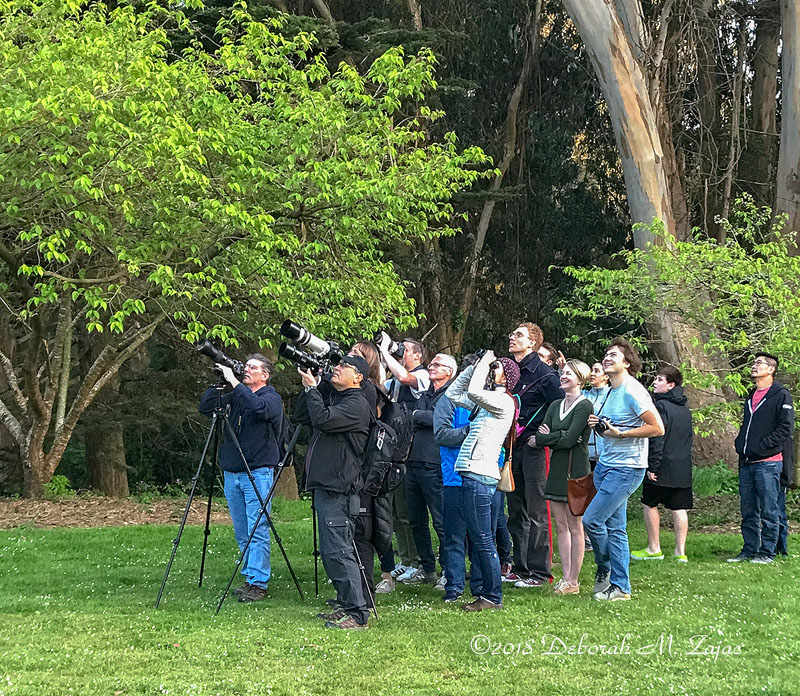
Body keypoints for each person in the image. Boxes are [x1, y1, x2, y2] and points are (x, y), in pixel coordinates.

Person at [295, 354, 372, 629]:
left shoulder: (356, 404)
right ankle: (344, 603)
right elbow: (302, 416)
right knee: (330, 551)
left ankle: (357, 614)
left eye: (344, 367)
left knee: (340, 550)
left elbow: (323, 421)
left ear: (359, 377)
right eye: (337, 366)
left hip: (340, 487)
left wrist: (313, 389)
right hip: (327, 485)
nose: (336, 369)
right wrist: (313, 387)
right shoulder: (334, 397)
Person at [198, 355, 283, 603]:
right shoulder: (237, 393)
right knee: (242, 530)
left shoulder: (271, 397)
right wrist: (219, 384)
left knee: (257, 529)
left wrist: (235, 383)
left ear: (265, 375)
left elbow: (259, 409)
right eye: (245, 367)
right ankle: (249, 577)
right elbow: (205, 407)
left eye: (252, 368)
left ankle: (258, 582)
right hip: (232, 472)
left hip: (257, 472)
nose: (246, 370)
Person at [584, 338, 664, 601]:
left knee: (592, 520)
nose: (607, 358)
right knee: (616, 529)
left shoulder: (633, 390)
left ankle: (605, 567)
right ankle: (621, 588)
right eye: (606, 354)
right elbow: (612, 427)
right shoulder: (610, 391)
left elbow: (657, 428)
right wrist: (599, 424)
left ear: (627, 362)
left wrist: (622, 434)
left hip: (627, 469)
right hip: (606, 466)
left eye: (614, 355)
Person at [444, 351, 519, 611]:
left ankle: (492, 596)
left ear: (506, 378)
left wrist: (485, 363)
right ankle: (489, 594)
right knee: (480, 538)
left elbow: (474, 391)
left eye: (496, 368)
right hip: (473, 473)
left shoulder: (503, 402)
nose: (490, 370)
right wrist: (475, 366)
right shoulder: (488, 404)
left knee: (483, 539)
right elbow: (453, 394)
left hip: (480, 475)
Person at [506, 322, 564, 587]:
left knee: (537, 509)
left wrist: (542, 436)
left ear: (533, 343)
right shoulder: (508, 373)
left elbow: (563, 407)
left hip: (534, 450)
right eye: (512, 334)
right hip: (510, 447)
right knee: (516, 509)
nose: (512, 338)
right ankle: (520, 567)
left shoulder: (545, 375)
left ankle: (540, 572)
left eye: (519, 335)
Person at [532, 360, 593, 595]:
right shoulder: (555, 404)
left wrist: (554, 436)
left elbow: (569, 440)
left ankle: (574, 580)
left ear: (580, 378)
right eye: (563, 372)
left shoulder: (584, 405)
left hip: (575, 469)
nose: (564, 376)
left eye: (569, 373)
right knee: (560, 525)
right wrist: (558, 436)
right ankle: (565, 577)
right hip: (556, 468)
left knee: (574, 525)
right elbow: (540, 435)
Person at [729, 352, 794, 564]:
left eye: (759, 363)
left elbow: (785, 428)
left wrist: (763, 446)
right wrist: (741, 444)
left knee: (769, 509)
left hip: (768, 463)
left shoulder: (780, 394)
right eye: (754, 363)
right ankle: (749, 549)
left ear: (771, 369)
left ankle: (767, 552)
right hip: (747, 462)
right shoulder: (750, 395)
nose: (754, 366)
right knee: (748, 510)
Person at [402, 353, 458, 587]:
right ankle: (426, 568)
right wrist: (417, 416)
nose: (432, 368)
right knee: (415, 519)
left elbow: (438, 420)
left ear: (450, 372)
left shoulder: (453, 395)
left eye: (437, 365)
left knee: (441, 520)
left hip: (435, 463)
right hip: (413, 461)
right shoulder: (426, 394)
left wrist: (417, 415)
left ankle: (448, 569)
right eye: (432, 364)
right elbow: (410, 416)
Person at [378, 334, 429, 582]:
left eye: (405, 350)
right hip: (395, 450)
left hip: (413, 450)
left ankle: (418, 560)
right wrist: (380, 355)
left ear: (418, 355)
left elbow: (404, 377)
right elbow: (380, 385)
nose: (401, 353)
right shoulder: (394, 379)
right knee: (397, 512)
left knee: (409, 512)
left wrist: (388, 353)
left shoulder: (423, 375)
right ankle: (405, 558)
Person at [631, 366, 693, 563]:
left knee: (649, 503)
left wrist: (653, 466)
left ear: (670, 385)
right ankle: (680, 551)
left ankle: (654, 547)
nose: (654, 383)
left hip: (662, 464)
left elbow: (657, 438)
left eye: (659, 380)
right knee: (679, 507)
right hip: (682, 465)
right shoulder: (685, 409)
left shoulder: (660, 407)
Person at [582, 362, 610, 551]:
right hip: (586, 453)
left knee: (603, 496)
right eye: (591, 370)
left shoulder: (611, 395)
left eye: (597, 371)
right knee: (584, 494)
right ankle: (586, 537)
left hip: (605, 454)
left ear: (606, 376)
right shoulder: (586, 395)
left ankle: (605, 534)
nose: (593, 374)